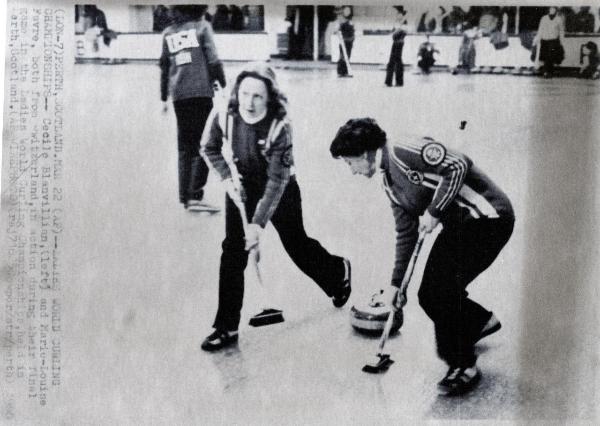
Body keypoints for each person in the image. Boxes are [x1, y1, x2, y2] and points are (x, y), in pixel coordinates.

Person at [329, 118, 514, 396]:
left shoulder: (402, 150)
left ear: (365, 153)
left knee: (439, 291)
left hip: (487, 217)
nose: (352, 171)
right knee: (430, 294)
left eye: (350, 163)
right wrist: (396, 285)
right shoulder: (389, 183)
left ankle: (462, 365)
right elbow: (406, 233)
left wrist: (435, 210)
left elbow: (458, 164)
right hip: (461, 226)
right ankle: (478, 322)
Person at [200, 63, 351, 351]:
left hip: (279, 188)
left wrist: (257, 224)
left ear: (270, 97)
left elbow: (277, 180)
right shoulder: (223, 112)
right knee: (233, 250)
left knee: (296, 243)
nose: (250, 102)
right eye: (245, 94)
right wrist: (227, 178)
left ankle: (336, 272)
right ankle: (226, 326)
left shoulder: (280, 126)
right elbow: (208, 147)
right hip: (241, 185)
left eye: (258, 96)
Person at [159, 6, 226, 212]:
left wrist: (164, 97)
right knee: (204, 144)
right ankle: (195, 195)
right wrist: (222, 83)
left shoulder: (168, 33)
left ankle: (184, 196)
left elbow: (164, 66)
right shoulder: (202, 27)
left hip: (179, 95)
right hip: (200, 91)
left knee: (185, 146)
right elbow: (213, 60)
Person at [534, 7, 565, 78]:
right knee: (545, 56)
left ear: (556, 11)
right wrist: (538, 38)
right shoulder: (544, 18)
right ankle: (547, 71)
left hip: (553, 40)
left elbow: (561, 31)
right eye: (551, 9)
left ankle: (547, 71)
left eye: (554, 9)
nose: (552, 11)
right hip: (544, 40)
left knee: (550, 56)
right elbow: (540, 29)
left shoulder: (559, 19)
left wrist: (562, 42)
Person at [385, 11, 407, 87]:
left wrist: (395, 32)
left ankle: (391, 82)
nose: (398, 16)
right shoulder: (398, 23)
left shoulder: (404, 23)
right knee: (396, 62)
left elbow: (398, 33)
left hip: (399, 43)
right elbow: (393, 33)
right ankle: (396, 82)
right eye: (397, 14)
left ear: (402, 15)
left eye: (399, 14)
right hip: (396, 43)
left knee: (395, 62)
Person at [335, 7, 355, 77]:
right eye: (346, 11)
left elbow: (352, 32)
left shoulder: (351, 22)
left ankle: (345, 71)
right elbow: (337, 31)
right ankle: (340, 72)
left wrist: (352, 39)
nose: (347, 12)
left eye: (348, 11)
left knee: (347, 57)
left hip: (349, 42)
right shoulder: (342, 22)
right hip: (344, 42)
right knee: (343, 57)